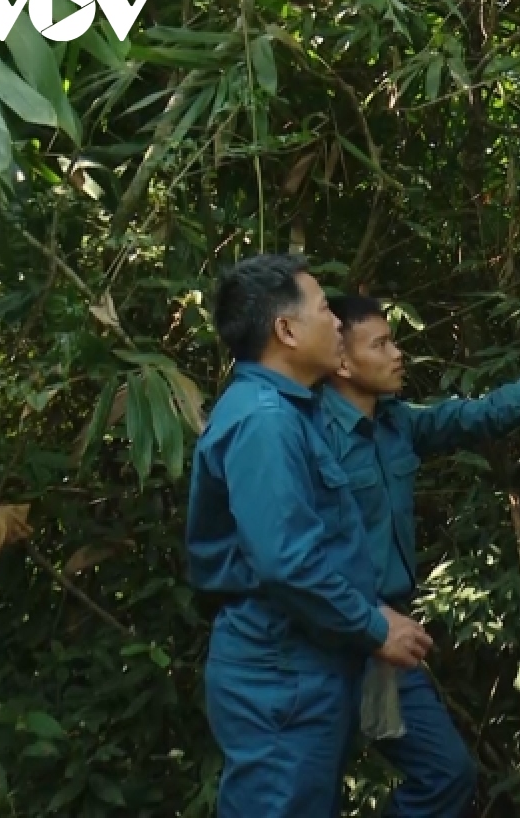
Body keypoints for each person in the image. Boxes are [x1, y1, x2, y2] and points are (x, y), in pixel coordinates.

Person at [318, 294, 520, 818]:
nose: (398, 353)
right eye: (380, 344)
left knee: (447, 775)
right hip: (330, 639)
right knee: (310, 791)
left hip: (388, 644)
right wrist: (364, 617)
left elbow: (484, 414)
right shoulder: (307, 436)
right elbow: (293, 552)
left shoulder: (397, 423)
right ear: (341, 360)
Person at [186, 254, 434, 817]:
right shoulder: (266, 422)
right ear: (287, 330)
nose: (337, 326)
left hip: (306, 666)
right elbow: (288, 563)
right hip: (280, 672)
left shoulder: (292, 414)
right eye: (325, 310)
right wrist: (374, 625)